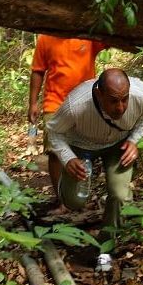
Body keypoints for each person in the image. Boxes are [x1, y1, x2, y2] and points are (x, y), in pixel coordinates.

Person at [47, 68, 143, 237]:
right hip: (81, 146)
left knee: (119, 195)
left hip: (119, 145)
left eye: (124, 99)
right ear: (98, 94)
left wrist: (134, 141)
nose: (120, 107)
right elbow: (53, 131)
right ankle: (64, 192)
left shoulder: (142, 96)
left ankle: (107, 243)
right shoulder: (76, 105)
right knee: (74, 201)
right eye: (113, 101)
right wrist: (68, 159)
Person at [28, 35, 106, 197]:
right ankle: (61, 200)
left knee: (81, 150)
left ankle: (77, 196)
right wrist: (33, 103)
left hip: (85, 102)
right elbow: (38, 71)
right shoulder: (45, 38)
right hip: (55, 103)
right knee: (55, 152)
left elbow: (111, 37)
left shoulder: (88, 36)